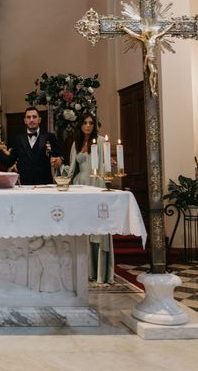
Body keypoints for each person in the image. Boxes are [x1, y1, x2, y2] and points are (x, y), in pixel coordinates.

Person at [67, 112, 114, 284]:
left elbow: (105, 164)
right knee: (84, 228)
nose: (88, 126)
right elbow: (72, 168)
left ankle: (101, 271)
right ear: (80, 125)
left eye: (91, 123)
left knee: (99, 228)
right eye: (85, 122)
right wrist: (60, 172)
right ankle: (86, 269)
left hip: (96, 184)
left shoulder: (101, 141)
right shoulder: (76, 143)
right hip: (81, 186)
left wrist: (108, 167)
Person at [0, 107, 62, 185]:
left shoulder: (49, 137)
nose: (31, 120)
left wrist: (59, 160)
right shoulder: (18, 139)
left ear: (39, 120)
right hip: (25, 184)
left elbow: (59, 156)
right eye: (28, 117)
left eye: (34, 117)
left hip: (45, 184)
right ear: (25, 121)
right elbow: (10, 161)